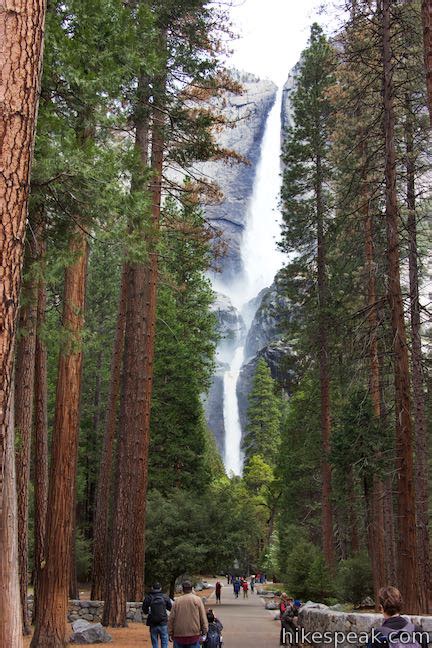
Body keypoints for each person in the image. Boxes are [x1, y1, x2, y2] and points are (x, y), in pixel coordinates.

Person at [168, 580, 208, 648]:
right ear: (192, 588)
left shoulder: (177, 601)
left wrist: (170, 632)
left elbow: (171, 618)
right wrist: (204, 631)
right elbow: (202, 617)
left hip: (179, 635)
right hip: (194, 635)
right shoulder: (197, 600)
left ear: (183, 589)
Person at [142, 582, 173, 648]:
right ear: (160, 588)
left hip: (153, 623)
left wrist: (148, 612)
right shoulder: (165, 597)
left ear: (152, 588)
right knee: (164, 641)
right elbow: (170, 608)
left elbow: (144, 610)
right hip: (163, 622)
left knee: (154, 642)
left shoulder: (149, 597)